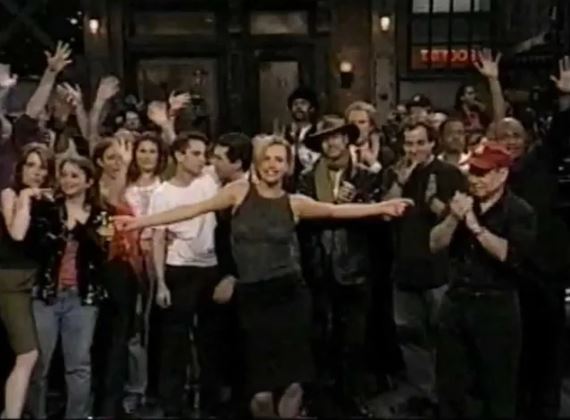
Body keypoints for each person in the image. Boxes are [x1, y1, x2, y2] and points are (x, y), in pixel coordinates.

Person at [114, 136, 412, 418]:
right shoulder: (239, 192)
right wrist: (140, 222)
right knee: (260, 396)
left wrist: (382, 207)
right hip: (253, 299)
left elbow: (335, 212)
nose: (272, 165)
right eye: (267, 159)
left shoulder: (295, 202)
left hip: (290, 296)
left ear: (287, 165)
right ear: (257, 162)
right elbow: (192, 209)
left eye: (279, 160)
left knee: (293, 384)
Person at [430, 143, 536, 418]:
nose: (474, 179)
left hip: (496, 307)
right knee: (450, 386)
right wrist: (454, 218)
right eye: (473, 172)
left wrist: (475, 226)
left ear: (502, 174)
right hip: (457, 302)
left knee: (497, 389)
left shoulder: (519, 211)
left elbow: (509, 255)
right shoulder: (461, 202)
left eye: (482, 173)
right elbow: (435, 243)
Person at [297, 116, 383, 416]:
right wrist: (332, 208)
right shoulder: (307, 178)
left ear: (347, 139)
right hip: (318, 268)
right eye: (324, 139)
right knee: (320, 338)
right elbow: (302, 222)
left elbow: (378, 221)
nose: (330, 143)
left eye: (335, 137)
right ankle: (320, 399)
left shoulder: (366, 178)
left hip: (355, 268)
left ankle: (352, 397)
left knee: (354, 339)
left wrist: (356, 201)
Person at [383, 121, 466, 415]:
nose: (414, 149)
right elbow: (385, 211)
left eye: (420, 143)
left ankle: (448, 399)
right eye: (409, 144)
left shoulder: (449, 174)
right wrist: (400, 183)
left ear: (432, 144)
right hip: (404, 271)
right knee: (411, 339)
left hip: (438, 272)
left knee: (444, 340)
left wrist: (434, 204)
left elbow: (459, 219)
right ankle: (424, 396)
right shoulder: (396, 173)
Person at [146, 131, 227, 417]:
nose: (202, 159)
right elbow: (158, 239)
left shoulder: (209, 181)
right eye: (195, 153)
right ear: (179, 156)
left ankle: (211, 403)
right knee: (175, 343)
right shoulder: (162, 194)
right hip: (179, 270)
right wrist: (161, 283)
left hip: (211, 268)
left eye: (203, 154)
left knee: (211, 341)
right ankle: (172, 405)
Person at [27, 157, 109, 419]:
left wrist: (83, 228)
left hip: (82, 299)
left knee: (79, 365)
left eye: (75, 176)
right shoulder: (48, 210)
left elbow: (101, 256)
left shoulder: (100, 214)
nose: (68, 181)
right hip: (47, 296)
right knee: (39, 364)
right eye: (64, 175)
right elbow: (37, 248)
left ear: (89, 181)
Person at [0, 143, 54, 418]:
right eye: (31, 165)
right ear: (20, 168)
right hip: (11, 280)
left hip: (35, 282)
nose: (36, 172)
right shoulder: (11, 194)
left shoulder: (46, 199)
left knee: (33, 355)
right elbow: (18, 233)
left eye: (42, 167)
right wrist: (25, 198)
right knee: (27, 353)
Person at [123, 132, 169, 413]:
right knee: (135, 327)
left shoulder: (166, 189)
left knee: (159, 327)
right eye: (142, 151)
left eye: (152, 151)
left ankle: (161, 387)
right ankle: (136, 387)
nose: (147, 156)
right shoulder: (125, 187)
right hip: (129, 261)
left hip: (159, 259)